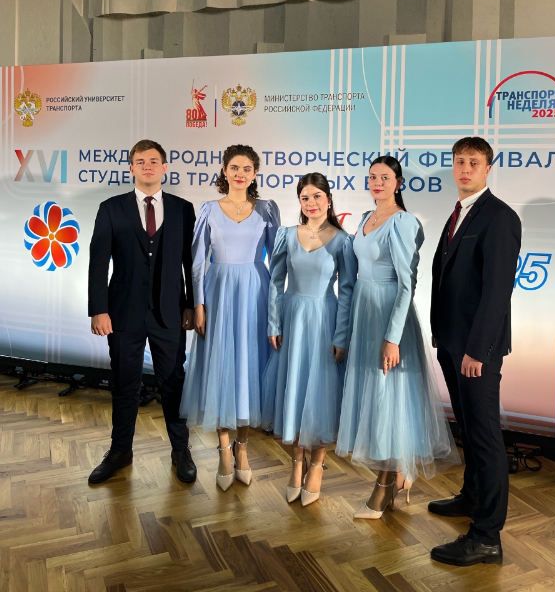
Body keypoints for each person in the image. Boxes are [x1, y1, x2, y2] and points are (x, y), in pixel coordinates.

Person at [336, 156, 457, 518]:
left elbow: (407, 283)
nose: (377, 182)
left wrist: (393, 338)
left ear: (399, 182)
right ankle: (397, 476)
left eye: (384, 177)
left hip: (390, 315)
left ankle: (385, 486)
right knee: (374, 399)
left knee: (387, 399)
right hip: (365, 312)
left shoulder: (403, 222)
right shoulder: (365, 218)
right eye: (372, 177)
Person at [429, 136, 521, 566]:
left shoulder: (499, 217)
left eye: (474, 162)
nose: (465, 169)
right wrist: (441, 335)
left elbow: (497, 291)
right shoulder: (459, 212)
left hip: (475, 351)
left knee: (485, 438)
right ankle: (471, 496)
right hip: (452, 343)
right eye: (459, 161)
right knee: (467, 429)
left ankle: (486, 537)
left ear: (488, 168)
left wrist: (478, 351)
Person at [87, 139, 197, 484]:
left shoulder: (183, 209)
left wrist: (192, 304)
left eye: (153, 160)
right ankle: (120, 451)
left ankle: (181, 451)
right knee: (124, 384)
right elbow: (97, 263)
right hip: (122, 313)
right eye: (140, 161)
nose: (147, 166)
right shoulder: (110, 208)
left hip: (170, 313)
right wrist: (98, 310)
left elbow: (191, 263)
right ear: (131, 168)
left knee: (174, 384)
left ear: (164, 167)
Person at [180, 145, 280, 491]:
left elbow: (277, 261)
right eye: (234, 167)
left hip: (255, 293)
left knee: (248, 369)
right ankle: (224, 451)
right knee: (221, 369)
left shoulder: (267, 209)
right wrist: (199, 304)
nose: (240, 173)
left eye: (247, 168)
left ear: (255, 173)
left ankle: (243, 448)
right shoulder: (208, 209)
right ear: (224, 170)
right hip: (218, 293)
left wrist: (277, 308)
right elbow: (197, 261)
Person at [261, 173, 357, 506]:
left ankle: (316, 465)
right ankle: (296, 463)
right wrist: (273, 323)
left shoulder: (343, 241)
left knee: (320, 393)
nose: (311, 203)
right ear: (299, 202)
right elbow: (276, 283)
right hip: (292, 319)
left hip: (324, 321)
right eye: (305, 197)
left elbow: (347, 291)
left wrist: (341, 335)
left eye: (317, 196)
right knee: (293, 391)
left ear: (328, 199)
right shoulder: (286, 235)